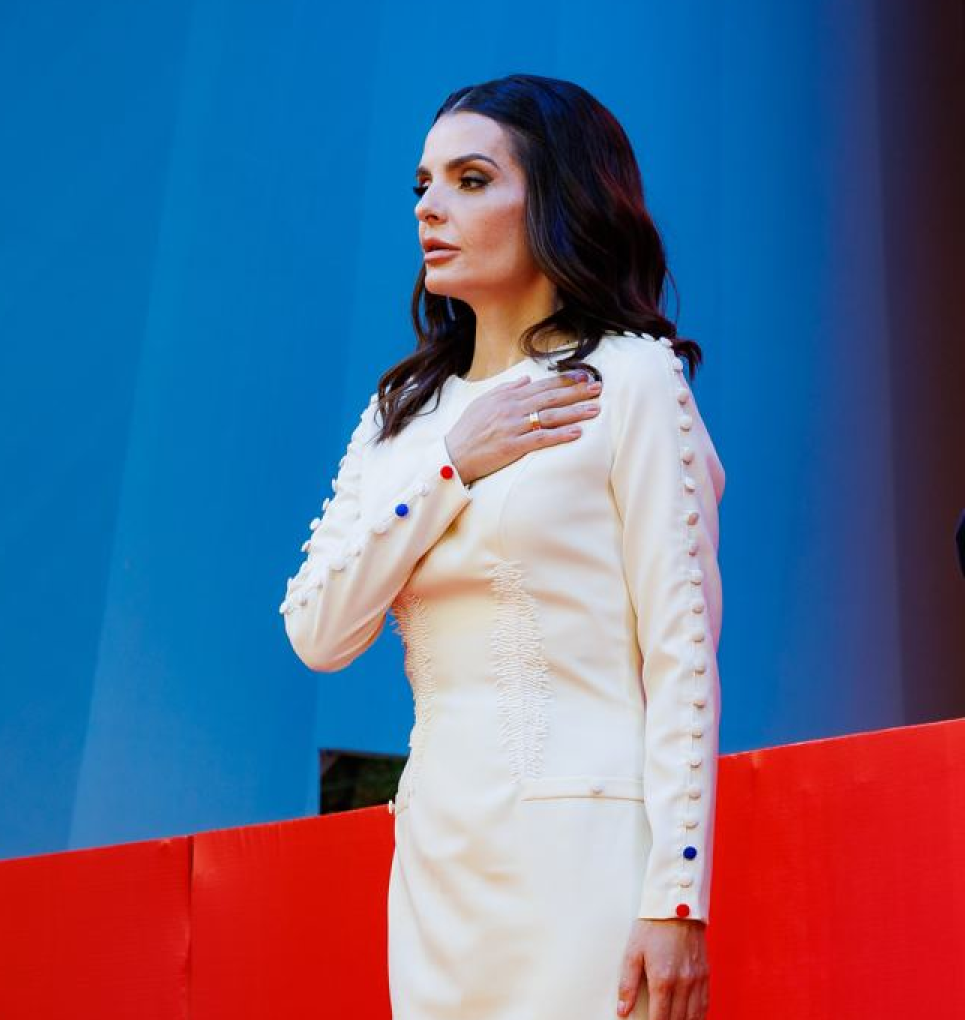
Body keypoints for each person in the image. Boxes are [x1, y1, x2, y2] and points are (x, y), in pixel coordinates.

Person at [279, 74, 721, 1020]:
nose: (432, 207)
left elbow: (681, 653)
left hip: (590, 855)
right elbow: (318, 632)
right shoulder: (405, 416)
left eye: (472, 179)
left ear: (558, 200)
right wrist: (451, 462)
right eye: (423, 185)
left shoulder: (629, 377)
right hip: (438, 856)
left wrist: (676, 897)